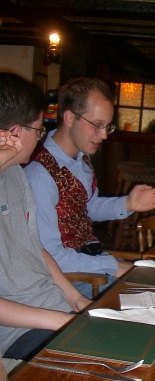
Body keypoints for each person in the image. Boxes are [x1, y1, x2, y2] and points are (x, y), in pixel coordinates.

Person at [25, 77, 155, 295]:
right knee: (154, 293)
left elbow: (86, 208)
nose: (103, 135)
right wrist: (113, 265)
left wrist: (128, 203)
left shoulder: (81, 160)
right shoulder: (40, 175)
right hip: (66, 280)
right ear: (69, 117)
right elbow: (51, 257)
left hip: (90, 261)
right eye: (97, 125)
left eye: (107, 126)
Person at [0, 73, 90, 361]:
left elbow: (34, 247)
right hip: (18, 332)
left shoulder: (17, 175)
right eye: (39, 130)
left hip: (53, 311)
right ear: (15, 133)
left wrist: (76, 299)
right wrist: (62, 321)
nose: (40, 138)